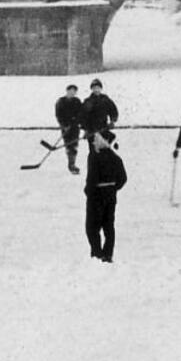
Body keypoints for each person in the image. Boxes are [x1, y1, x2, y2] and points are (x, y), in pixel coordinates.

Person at [84, 128, 127, 262]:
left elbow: (92, 178)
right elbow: (123, 178)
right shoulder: (116, 158)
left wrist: (89, 192)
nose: (94, 142)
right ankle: (108, 254)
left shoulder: (93, 157)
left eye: (96, 140)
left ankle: (97, 254)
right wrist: (113, 189)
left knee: (92, 227)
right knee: (108, 226)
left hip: (96, 195)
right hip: (111, 195)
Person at [53, 84, 85, 174]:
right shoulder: (61, 101)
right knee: (68, 145)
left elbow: (81, 113)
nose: (72, 93)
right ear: (67, 91)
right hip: (65, 127)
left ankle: (72, 164)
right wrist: (64, 125)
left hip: (75, 127)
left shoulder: (77, 101)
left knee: (74, 145)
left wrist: (78, 122)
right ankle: (71, 164)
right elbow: (58, 115)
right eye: (70, 91)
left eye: (74, 91)